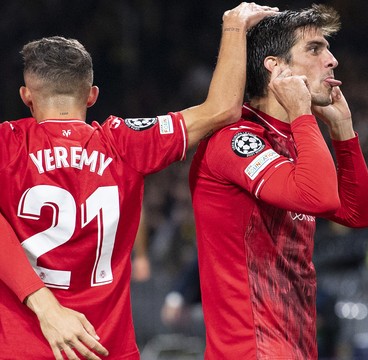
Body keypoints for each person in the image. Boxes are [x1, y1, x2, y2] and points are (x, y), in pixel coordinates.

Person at [0, 3, 278, 359]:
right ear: (92, 95)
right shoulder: (124, 141)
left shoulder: (8, 143)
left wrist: (46, 307)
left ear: (26, 97)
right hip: (106, 347)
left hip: (21, 346)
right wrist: (234, 24)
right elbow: (222, 109)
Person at [188, 4, 368, 358]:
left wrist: (342, 130)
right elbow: (317, 197)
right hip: (251, 348)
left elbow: (356, 213)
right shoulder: (236, 139)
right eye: (315, 49)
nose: (332, 60)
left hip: (294, 343)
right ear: (276, 67)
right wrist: (303, 113)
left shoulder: (290, 138)